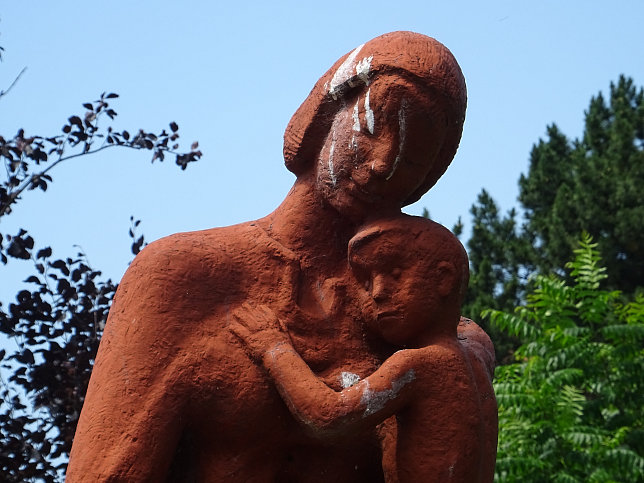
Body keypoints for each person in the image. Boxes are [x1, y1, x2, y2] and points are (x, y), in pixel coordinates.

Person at [67, 31, 489, 482]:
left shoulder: (417, 327)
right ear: (326, 114)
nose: (385, 163)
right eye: (371, 128)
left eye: (413, 157)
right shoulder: (184, 276)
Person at [230, 215, 497, 482]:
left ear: (443, 279)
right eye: (367, 283)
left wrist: (274, 348)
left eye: (395, 275)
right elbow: (468, 328)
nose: (377, 293)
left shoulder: (420, 365)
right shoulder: (477, 354)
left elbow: (328, 416)